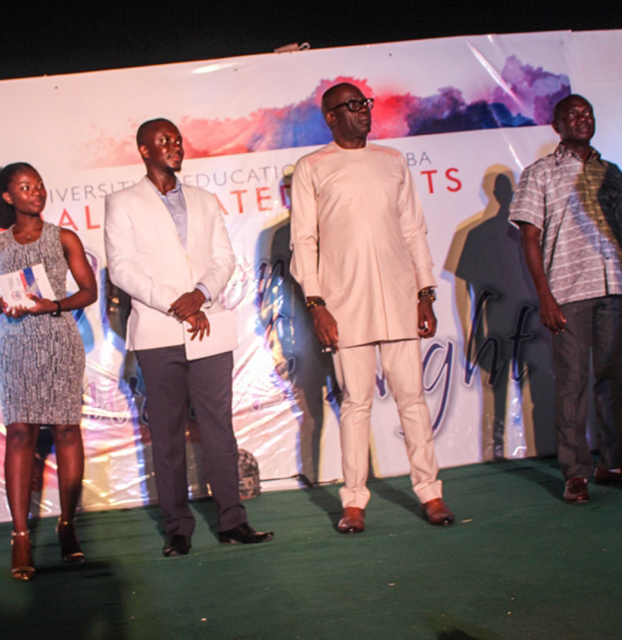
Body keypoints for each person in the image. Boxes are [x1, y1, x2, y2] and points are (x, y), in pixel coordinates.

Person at [104, 118, 273, 557]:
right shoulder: (122, 202)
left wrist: (199, 295)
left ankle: (232, 520)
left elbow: (224, 258)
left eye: (177, 140)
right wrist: (175, 302)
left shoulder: (203, 199)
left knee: (219, 426)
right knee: (167, 433)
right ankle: (178, 526)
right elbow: (121, 268)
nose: (174, 146)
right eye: (164, 141)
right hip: (159, 330)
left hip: (208, 326)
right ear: (144, 150)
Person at [290, 82, 454, 531]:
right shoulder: (312, 167)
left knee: (413, 400)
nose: (364, 112)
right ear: (330, 116)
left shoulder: (392, 160)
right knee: (356, 403)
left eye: (366, 104)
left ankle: (430, 493)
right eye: (353, 106)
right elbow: (303, 241)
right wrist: (317, 304)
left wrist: (425, 292)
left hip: (401, 297)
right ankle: (354, 501)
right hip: (344, 304)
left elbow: (414, 231)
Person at [510, 94, 622, 504]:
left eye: (587, 113)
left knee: (612, 379)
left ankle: (613, 463)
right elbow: (530, 237)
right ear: (556, 126)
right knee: (572, 383)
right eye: (571, 115)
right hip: (569, 291)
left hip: (617, 287)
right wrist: (545, 297)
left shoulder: (611, 173)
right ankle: (575, 473)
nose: (582, 119)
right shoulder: (539, 174)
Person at [0, 163, 98, 579]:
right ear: (8, 197)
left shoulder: (64, 238)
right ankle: (21, 536)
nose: (36, 192)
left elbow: (89, 290)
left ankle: (67, 525)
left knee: (66, 430)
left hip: (59, 343)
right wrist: (5, 305)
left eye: (40, 185)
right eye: (26, 187)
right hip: (16, 347)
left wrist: (55, 304)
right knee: (20, 434)